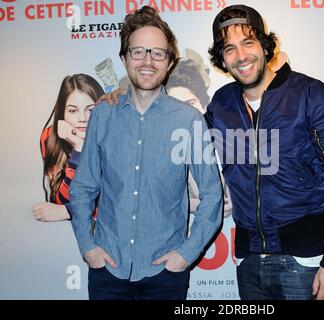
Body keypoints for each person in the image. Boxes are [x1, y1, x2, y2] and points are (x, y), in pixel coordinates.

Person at [205, 5, 324, 300]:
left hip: (308, 262)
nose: (241, 56)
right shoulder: (222, 103)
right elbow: (186, 133)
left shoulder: (312, 95)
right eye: (229, 48)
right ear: (222, 59)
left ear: (265, 47)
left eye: (248, 42)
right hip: (249, 262)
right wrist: (130, 97)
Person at [68, 6, 223, 300]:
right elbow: (83, 187)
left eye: (157, 53)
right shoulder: (102, 115)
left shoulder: (189, 120)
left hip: (165, 276)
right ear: (124, 58)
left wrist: (186, 254)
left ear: (169, 62)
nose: (147, 61)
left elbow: (213, 195)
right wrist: (87, 246)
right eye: (138, 52)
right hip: (107, 273)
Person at [166, 57, 233, 217]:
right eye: (175, 107)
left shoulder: (231, 141)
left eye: (189, 104)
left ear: (203, 104)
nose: (184, 114)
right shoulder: (161, 152)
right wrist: (198, 205)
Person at [32, 74, 104, 222]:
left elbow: (120, 203)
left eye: (91, 110)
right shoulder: (50, 138)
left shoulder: (114, 136)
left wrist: (68, 211)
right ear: (62, 113)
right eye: (72, 111)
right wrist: (78, 150)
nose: (82, 118)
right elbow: (60, 198)